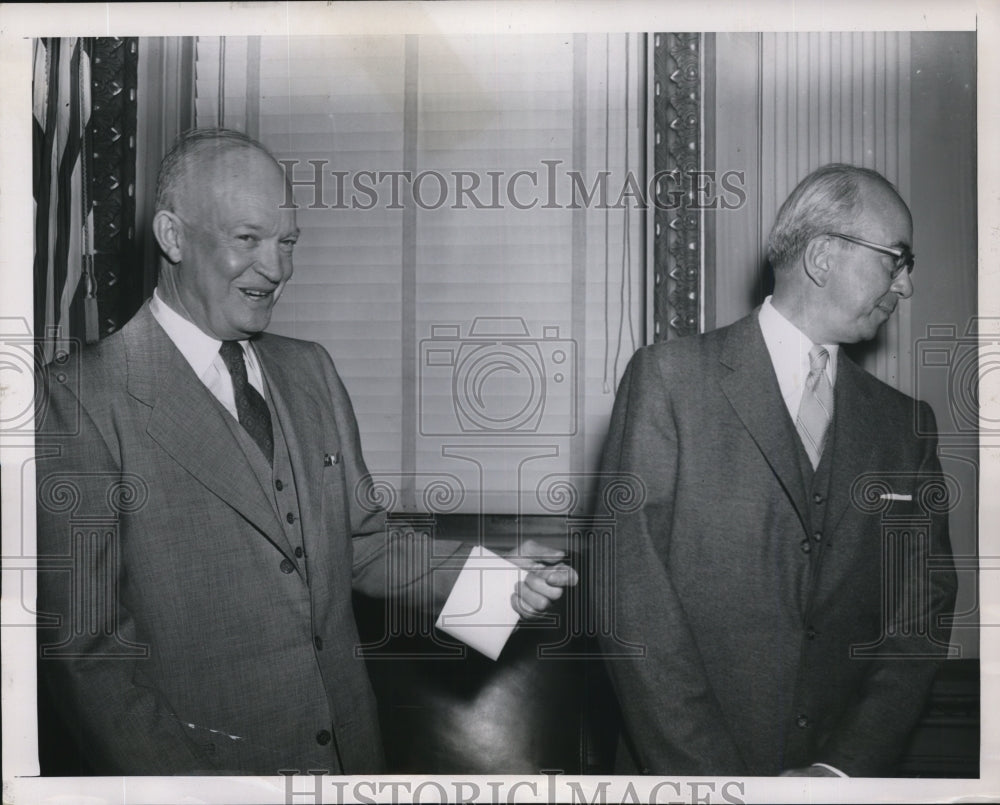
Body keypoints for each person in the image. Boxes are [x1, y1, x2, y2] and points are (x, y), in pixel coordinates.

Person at [34, 128, 576, 775]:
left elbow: (365, 544)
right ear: (173, 236)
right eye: (248, 240)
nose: (277, 268)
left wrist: (499, 584)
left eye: (286, 242)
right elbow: (88, 654)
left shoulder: (309, 371)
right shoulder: (80, 398)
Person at [596, 163, 957, 777]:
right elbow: (631, 600)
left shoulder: (905, 427)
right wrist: (718, 784)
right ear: (821, 256)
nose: (907, 287)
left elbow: (920, 616)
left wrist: (842, 771)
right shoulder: (669, 381)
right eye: (897, 260)